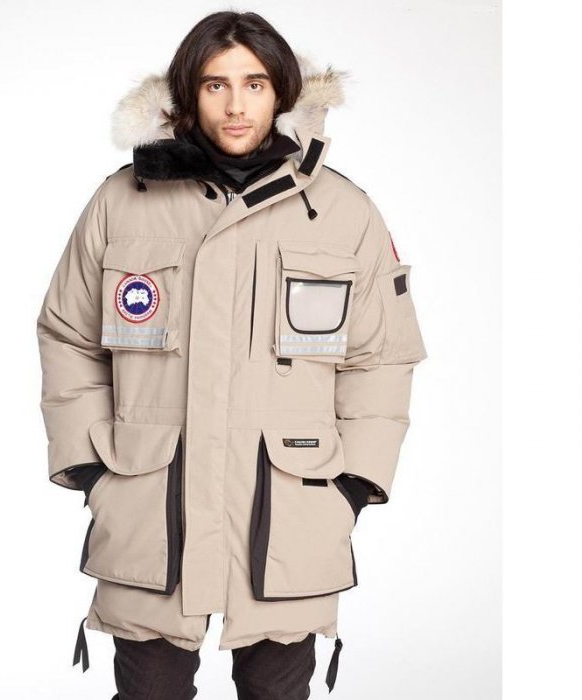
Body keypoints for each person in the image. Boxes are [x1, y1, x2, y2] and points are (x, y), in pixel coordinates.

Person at [36, 10, 428, 700]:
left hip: (288, 512)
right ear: (188, 93)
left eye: (254, 84)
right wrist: (93, 467)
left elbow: (382, 358)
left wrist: (353, 484)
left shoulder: (343, 211)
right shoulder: (123, 201)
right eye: (216, 85)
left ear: (282, 91)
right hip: (151, 509)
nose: (236, 104)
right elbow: (69, 335)